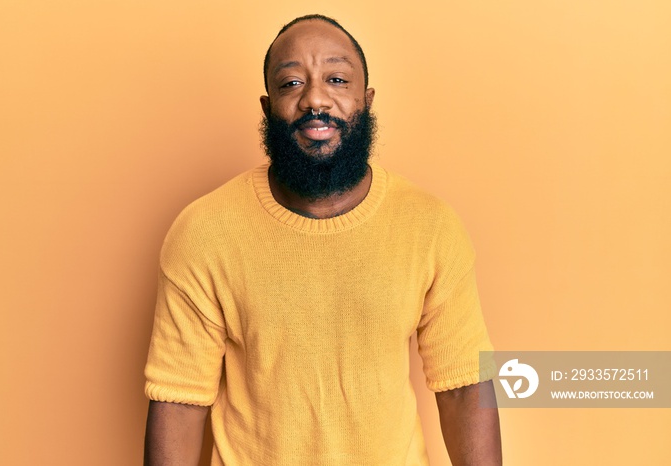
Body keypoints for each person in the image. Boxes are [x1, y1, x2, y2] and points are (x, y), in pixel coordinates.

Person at [144, 14, 501, 465]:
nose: (315, 99)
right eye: (292, 83)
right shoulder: (204, 232)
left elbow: (465, 384)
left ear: (365, 101)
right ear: (267, 106)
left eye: (336, 79)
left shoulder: (430, 226)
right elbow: (178, 400)